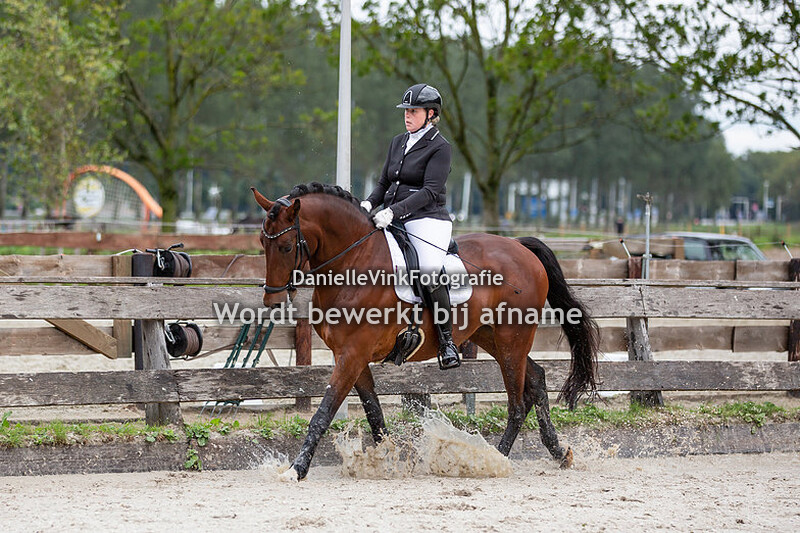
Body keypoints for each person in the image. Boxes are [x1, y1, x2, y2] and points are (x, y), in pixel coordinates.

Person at [360, 83, 460, 369]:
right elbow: (384, 183)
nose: (407, 116)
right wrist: (368, 205)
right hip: (392, 216)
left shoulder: (441, 147)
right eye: (406, 111)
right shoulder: (398, 142)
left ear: (431, 114)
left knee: (428, 271)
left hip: (427, 219)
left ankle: (446, 341)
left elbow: (429, 191)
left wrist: (392, 211)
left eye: (413, 111)